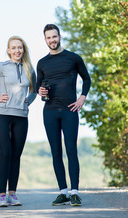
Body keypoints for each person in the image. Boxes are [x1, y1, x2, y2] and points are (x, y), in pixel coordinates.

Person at [0, 36, 37, 207]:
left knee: (16, 156)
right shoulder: (1, 67)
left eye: (20, 48)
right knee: (5, 154)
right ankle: (2, 195)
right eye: (14, 48)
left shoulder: (29, 69)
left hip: (22, 117)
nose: (17, 51)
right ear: (8, 50)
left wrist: (29, 101)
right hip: (1, 116)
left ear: (23, 50)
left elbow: (34, 90)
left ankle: (13, 194)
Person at [36, 24, 91, 206]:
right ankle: (63, 192)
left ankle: (75, 192)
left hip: (70, 110)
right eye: (48, 37)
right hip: (50, 112)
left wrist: (82, 97)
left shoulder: (73, 58)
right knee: (56, 152)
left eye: (54, 36)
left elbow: (86, 78)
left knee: (71, 149)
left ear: (59, 36)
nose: (52, 40)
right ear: (45, 40)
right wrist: (41, 91)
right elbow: (38, 86)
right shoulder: (42, 63)